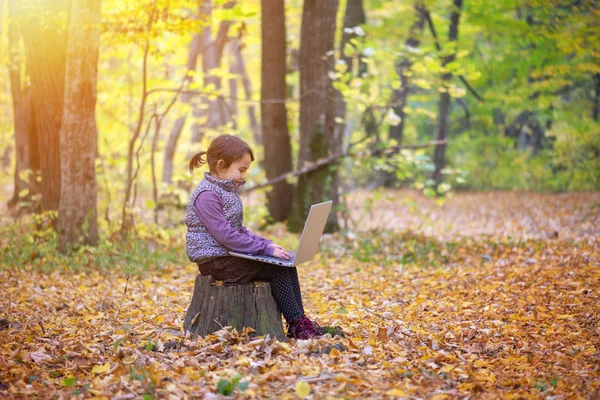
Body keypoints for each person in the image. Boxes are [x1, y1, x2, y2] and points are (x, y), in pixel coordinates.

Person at [185, 134, 322, 340]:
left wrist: (267, 244)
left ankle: (300, 321)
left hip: (228, 255)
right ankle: (296, 324)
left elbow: (239, 230)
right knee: (276, 270)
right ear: (221, 166)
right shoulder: (207, 196)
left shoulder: (226, 191)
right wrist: (264, 250)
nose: (244, 176)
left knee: (287, 265)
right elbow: (227, 236)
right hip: (215, 261)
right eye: (241, 170)